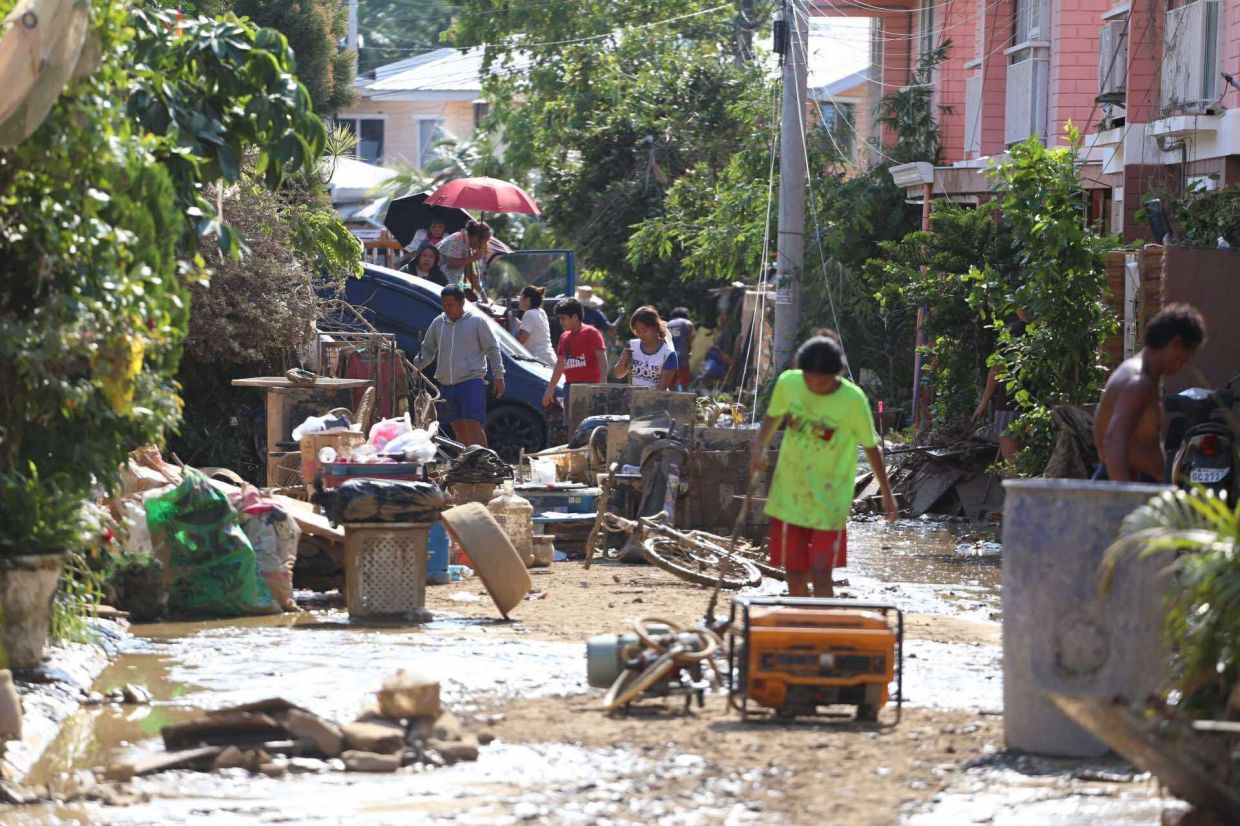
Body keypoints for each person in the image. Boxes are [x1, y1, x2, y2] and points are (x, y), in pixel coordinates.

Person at [750, 334, 898, 598]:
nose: (815, 385)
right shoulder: (789, 383)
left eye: (822, 380)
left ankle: (823, 622)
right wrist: (759, 447)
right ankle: (801, 627)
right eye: (809, 378)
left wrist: (886, 493)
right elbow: (773, 416)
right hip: (790, 494)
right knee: (793, 571)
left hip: (830, 498)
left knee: (821, 572)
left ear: (836, 374)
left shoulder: (853, 400)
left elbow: (870, 446)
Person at [1093, 303, 1206, 482]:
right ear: (1175, 344)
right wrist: (1125, 498)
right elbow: (1113, 441)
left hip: (1133, 482)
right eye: (1187, 353)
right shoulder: (1138, 384)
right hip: (1127, 483)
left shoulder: (1145, 377)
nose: (1184, 363)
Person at [412, 284, 505, 448]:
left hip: (471, 382)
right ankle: (465, 466)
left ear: (462, 303)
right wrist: (416, 365)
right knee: (458, 428)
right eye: (444, 305)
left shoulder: (477, 322)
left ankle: (483, 466)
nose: (447, 309)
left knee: (473, 426)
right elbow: (428, 349)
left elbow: (492, 349)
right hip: (447, 385)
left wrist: (499, 376)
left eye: (451, 305)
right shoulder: (438, 323)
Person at [972, 313, 1028, 463]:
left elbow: (996, 369)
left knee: (1012, 463)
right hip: (1039, 405)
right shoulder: (1048, 335)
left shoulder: (1013, 331)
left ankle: (1014, 485)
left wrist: (983, 403)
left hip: (1010, 405)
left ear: (1019, 310)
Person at [541, 297, 608, 410]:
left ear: (575, 317)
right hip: (570, 387)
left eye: (563, 318)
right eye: (560, 318)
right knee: (571, 424)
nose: (560, 322)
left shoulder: (591, 333)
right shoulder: (564, 337)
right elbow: (560, 364)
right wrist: (550, 389)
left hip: (590, 386)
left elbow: (602, 359)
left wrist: (603, 386)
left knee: (590, 424)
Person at [613, 305, 677, 390]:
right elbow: (618, 374)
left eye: (645, 330)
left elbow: (661, 389)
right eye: (637, 331)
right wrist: (622, 361)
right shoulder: (632, 346)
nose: (641, 335)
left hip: (655, 400)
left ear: (656, 327)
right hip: (634, 399)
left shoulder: (668, 354)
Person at [438, 220, 492, 299]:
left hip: (453, 286)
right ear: (475, 237)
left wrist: (482, 293)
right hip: (439, 281)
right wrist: (473, 258)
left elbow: (470, 273)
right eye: (483, 242)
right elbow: (451, 264)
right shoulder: (457, 240)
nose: (483, 245)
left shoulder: (468, 245)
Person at [516, 285, 556, 367]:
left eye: (520, 296)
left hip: (540, 361)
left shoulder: (529, 314)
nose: (519, 299)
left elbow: (521, 341)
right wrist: (513, 319)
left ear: (527, 300)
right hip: (549, 358)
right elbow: (528, 329)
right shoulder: (541, 312)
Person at [666, 307, 695, 391]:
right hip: (683, 355)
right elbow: (689, 338)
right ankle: (684, 397)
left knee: (670, 380)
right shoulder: (687, 323)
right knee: (684, 379)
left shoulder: (668, 324)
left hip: (669, 355)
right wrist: (689, 351)